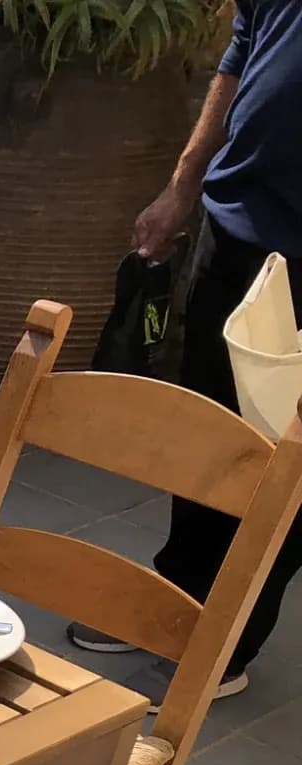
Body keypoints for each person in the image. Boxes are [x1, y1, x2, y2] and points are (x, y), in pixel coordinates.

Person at [68, 0, 302, 700]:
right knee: (210, 436)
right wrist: (182, 187)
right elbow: (241, 55)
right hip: (239, 228)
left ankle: (226, 640)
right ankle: (176, 601)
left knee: (288, 459)